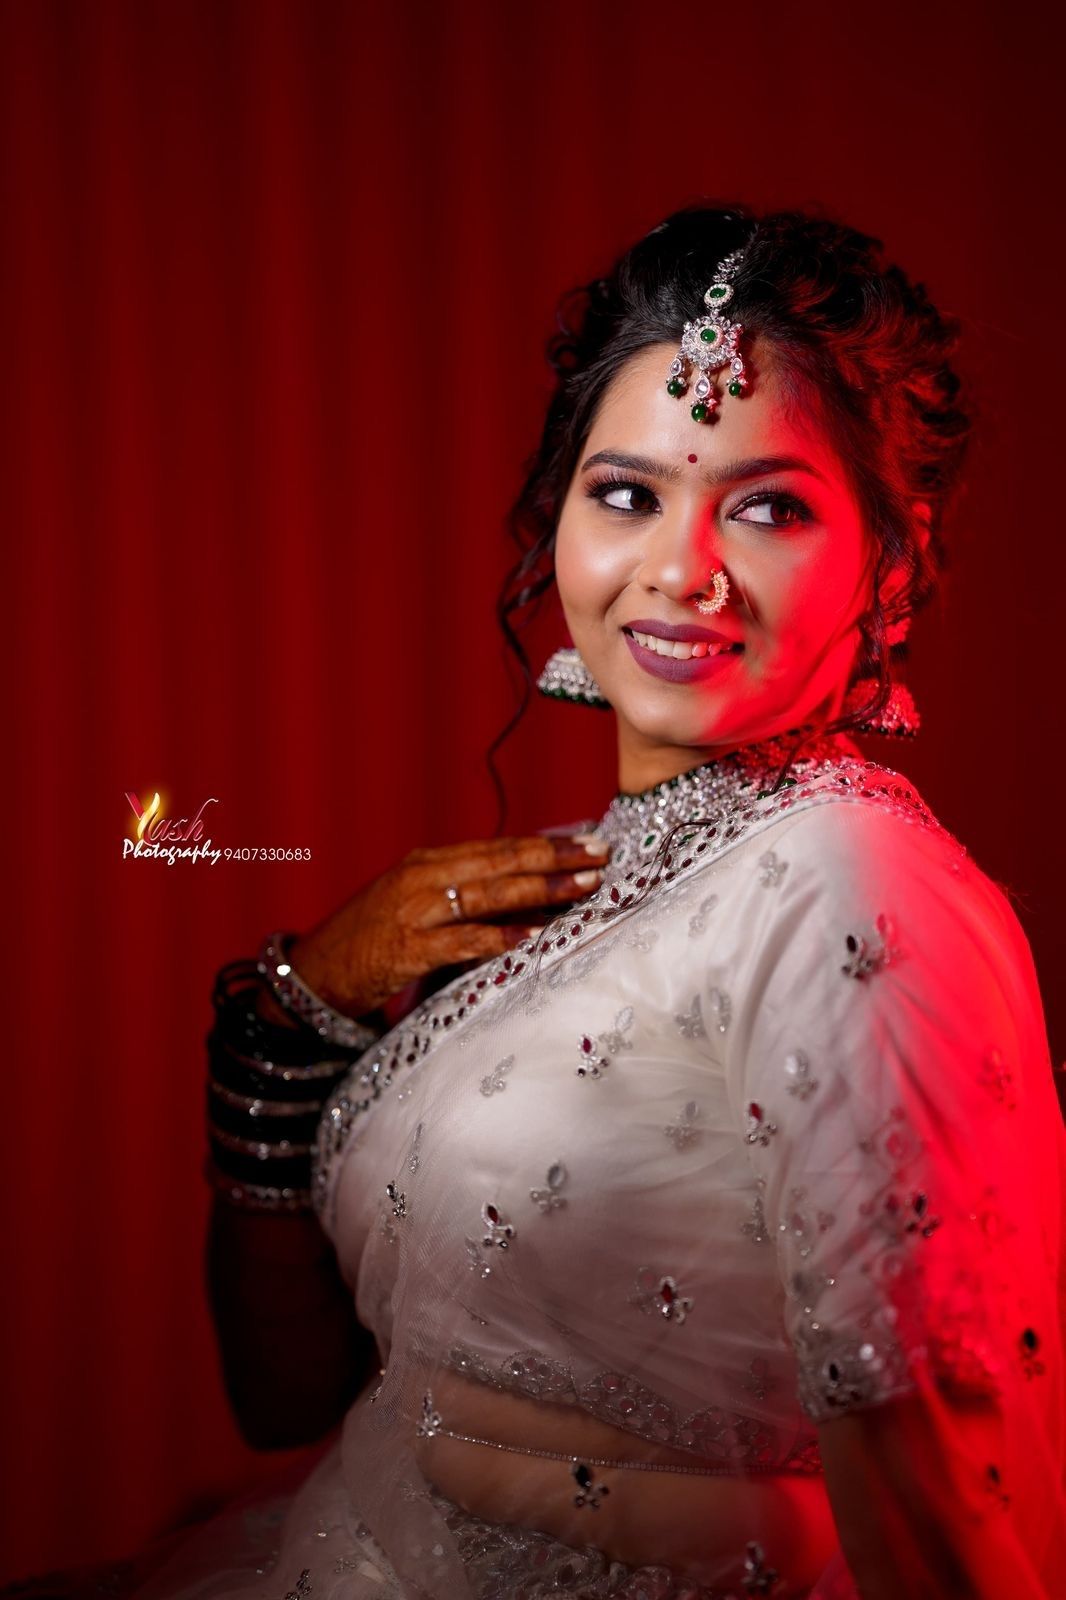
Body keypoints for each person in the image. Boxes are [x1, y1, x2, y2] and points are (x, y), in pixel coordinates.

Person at [142, 206, 1063, 1598]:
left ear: (890, 560)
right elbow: (291, 1397)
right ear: (556, 520)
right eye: (627, 494)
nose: (679, 571)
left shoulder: (844, 890)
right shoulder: (567, 883)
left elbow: (940, 1512)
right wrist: (289, 1020)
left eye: (767, 507)